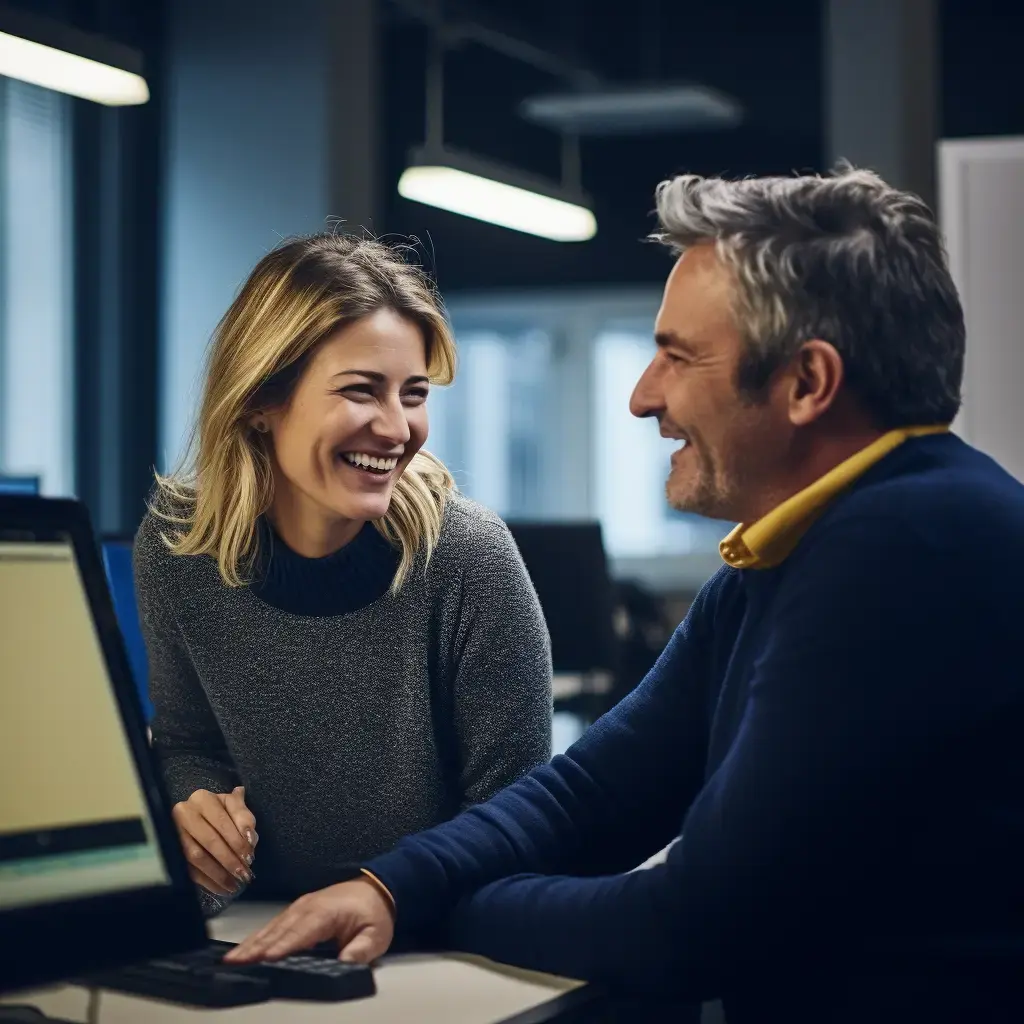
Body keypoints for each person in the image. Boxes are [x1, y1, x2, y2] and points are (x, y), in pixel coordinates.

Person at [227, 168, 1024, 1021]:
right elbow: (594, 793)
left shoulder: (906, 547)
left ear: (806, 383)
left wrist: (442, 910)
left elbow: (686, 927)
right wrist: (390, 888)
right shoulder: (796, 550)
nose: (644, 396)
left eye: (677, 356)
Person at [133, 234, 552, 915]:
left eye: (413, 395)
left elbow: (519, 819)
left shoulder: (468, 558)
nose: (397, 429)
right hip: (252, 930)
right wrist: (195, 814)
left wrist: (388, 901)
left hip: (430, 936)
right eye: (362, 391)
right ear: (261, 400)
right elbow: (189, 744)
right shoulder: (178, 547)